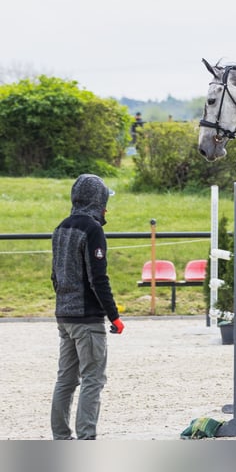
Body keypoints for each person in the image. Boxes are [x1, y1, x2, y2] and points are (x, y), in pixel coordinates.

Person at [50, 174, 124, 440]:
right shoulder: (93, 229)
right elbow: (98, 278)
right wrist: (114, 316)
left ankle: (60, 437)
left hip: (64, 316)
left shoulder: (60, 228)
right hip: (87, 320)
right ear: (99, 201)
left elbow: (55, 276)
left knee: (66, 381)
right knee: (93, 380)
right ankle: (86, 438)